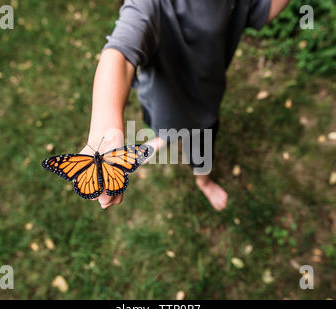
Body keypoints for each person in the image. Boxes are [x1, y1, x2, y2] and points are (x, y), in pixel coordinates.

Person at [80, 0, 291, 210]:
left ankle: (202, 181)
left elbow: (261, 10)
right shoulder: (149, 4)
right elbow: (121, 55)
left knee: (199, 150)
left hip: (203, 103)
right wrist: (106, 131)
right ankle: (169, 141)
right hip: (164, 102)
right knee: (169, 127)